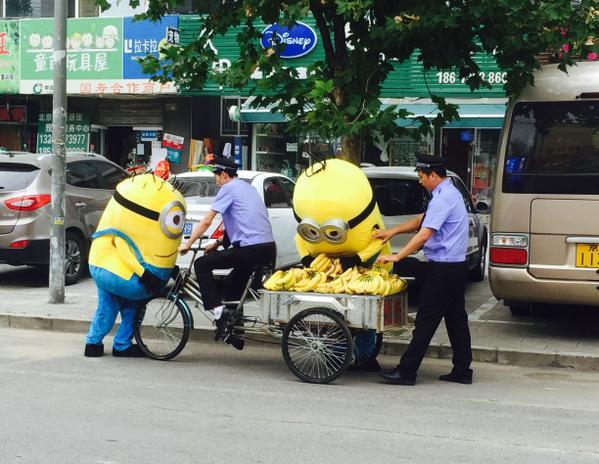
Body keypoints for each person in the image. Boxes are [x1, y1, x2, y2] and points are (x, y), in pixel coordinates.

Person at [374, 153, 473, 386]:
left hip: (444, 270)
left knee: (426, 321)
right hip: (455, 267)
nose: (420, 181)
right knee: (456, 319)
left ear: (434, 175)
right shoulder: (448, 193)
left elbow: (425, 233)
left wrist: (398, 255)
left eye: (422, 176)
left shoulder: (442, 198)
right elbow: (422, 220)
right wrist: (391, 232)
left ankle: (407, 371)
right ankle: (462, 369)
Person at [178, 156, 276, 348]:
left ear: (223, 174)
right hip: (267, 249)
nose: (216, 181)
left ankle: (218, 312)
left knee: (201, 264)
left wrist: (188, 244)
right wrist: (218, 242)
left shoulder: (228, 189)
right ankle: (235, 334)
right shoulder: (248, 188)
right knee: (232, 286)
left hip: (251, 250)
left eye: (216, 176)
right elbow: (243, 224)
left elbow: (207, 221)